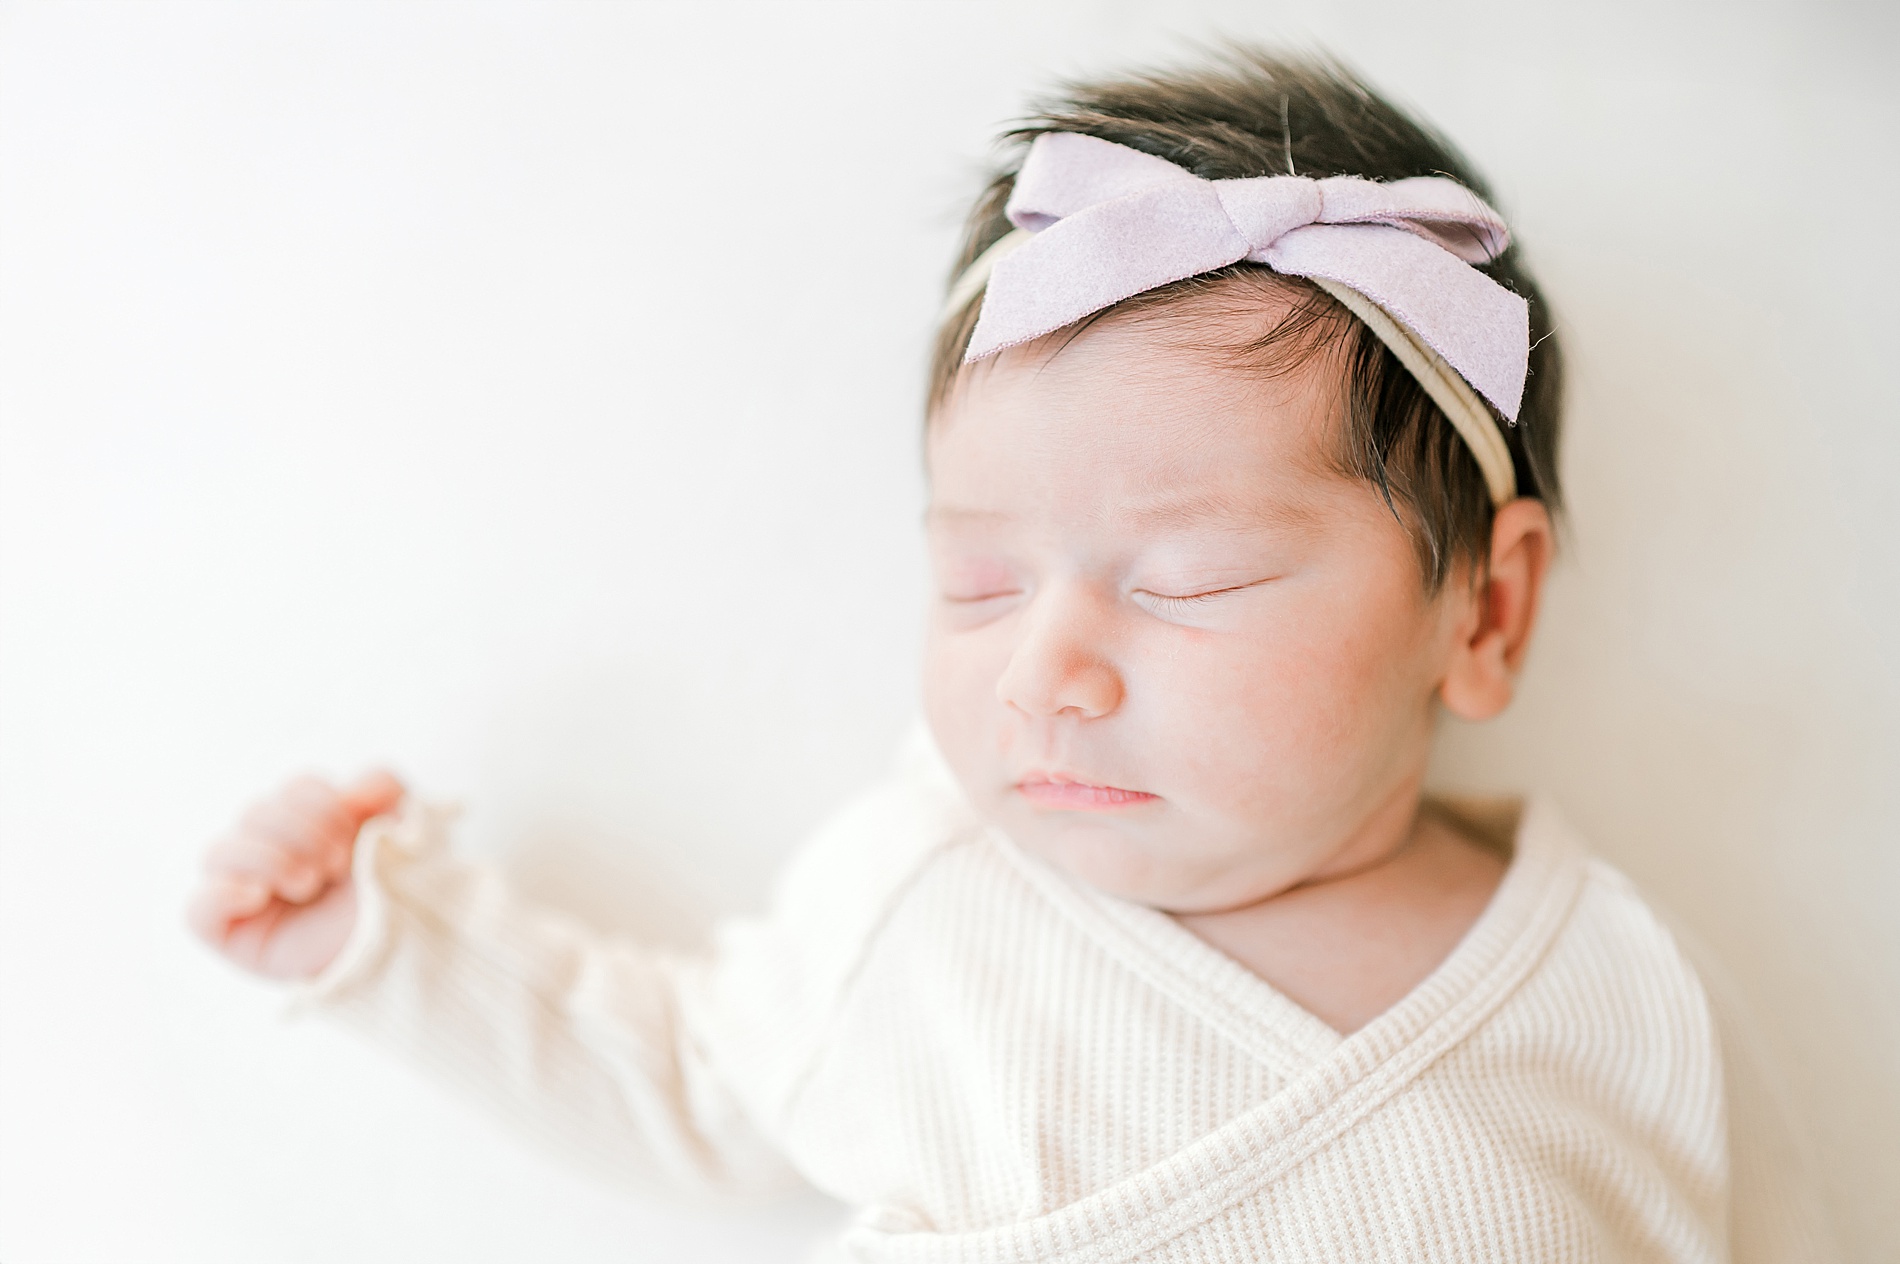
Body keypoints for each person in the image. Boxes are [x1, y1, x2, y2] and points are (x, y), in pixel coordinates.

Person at [184, 48, 1829, 1262]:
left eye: (1189, 577)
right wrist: (383, 941)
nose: (1048, 667)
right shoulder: (928, 897)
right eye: (977, 581)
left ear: (1483, 612)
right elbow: (684, 1067)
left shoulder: (1622, 993)